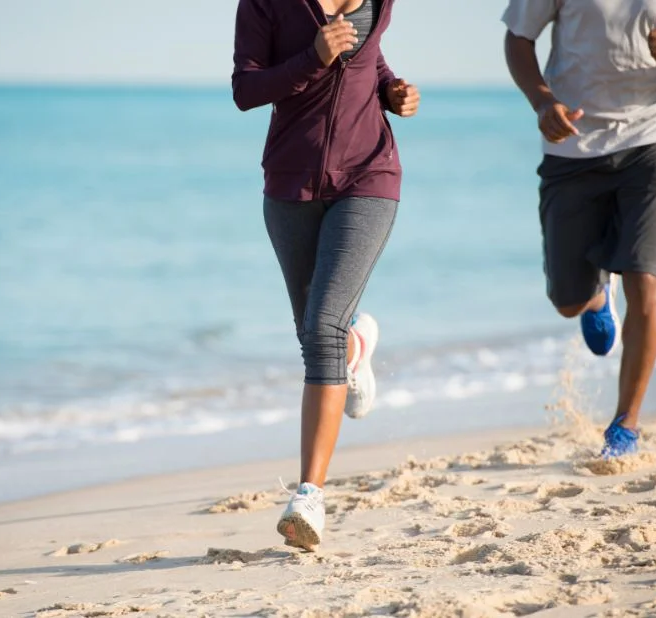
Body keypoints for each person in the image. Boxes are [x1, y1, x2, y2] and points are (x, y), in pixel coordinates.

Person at [232, 0, 419, 549]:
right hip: (290, 184)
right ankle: (356, 341)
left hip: (369, 176)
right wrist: (311, 57)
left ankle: (309, 495)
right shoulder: (265, 4)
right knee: (315, 330)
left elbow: (369, 56)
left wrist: (392, 91)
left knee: (321, 332)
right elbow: (246, 90)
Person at [502, 1, 656, 458]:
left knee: (645, 279)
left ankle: (625, 426)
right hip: (573, 140)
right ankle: (596, 292)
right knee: (567, 302)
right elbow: (518, 37)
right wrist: (542, 101)